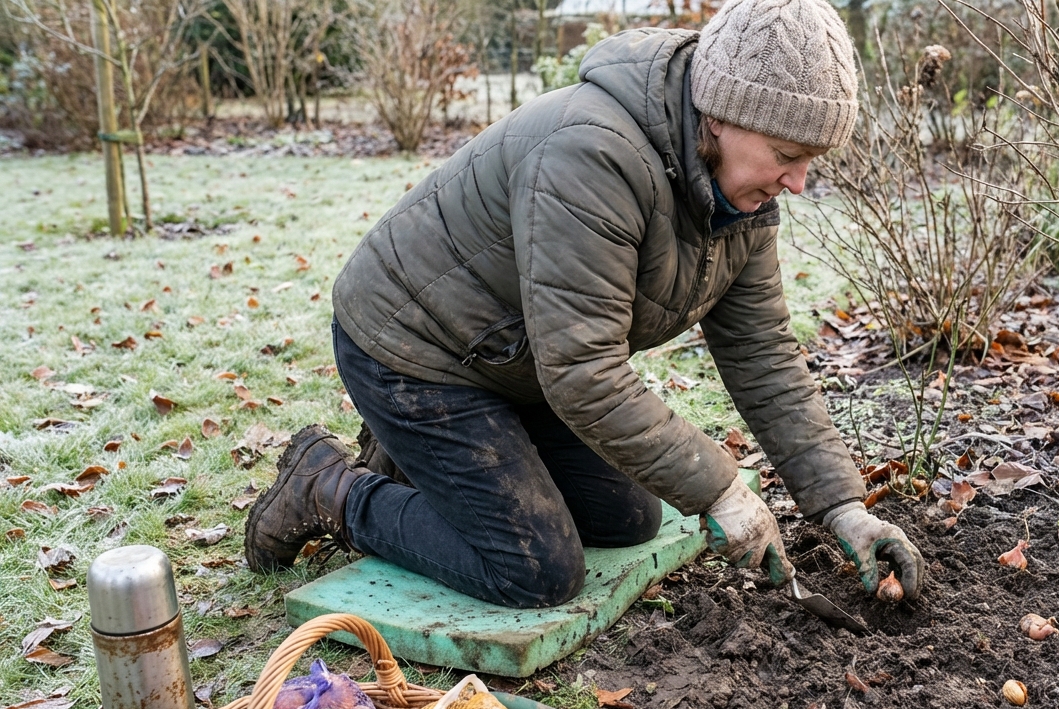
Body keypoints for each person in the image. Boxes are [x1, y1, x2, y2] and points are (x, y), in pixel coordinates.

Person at [244, 0, 925, 609]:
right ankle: (327, 485)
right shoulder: (591, 153)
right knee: (536, 569)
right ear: (720, 114)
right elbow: (585, 374)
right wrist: (722, 489)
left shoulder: (740, 202)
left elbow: (763, 357)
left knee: (629, 519)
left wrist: (842, 507)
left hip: (514, 357)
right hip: (414, 350)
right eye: (787, 154)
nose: (800, 182)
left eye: (813, 160)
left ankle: (420, 462)